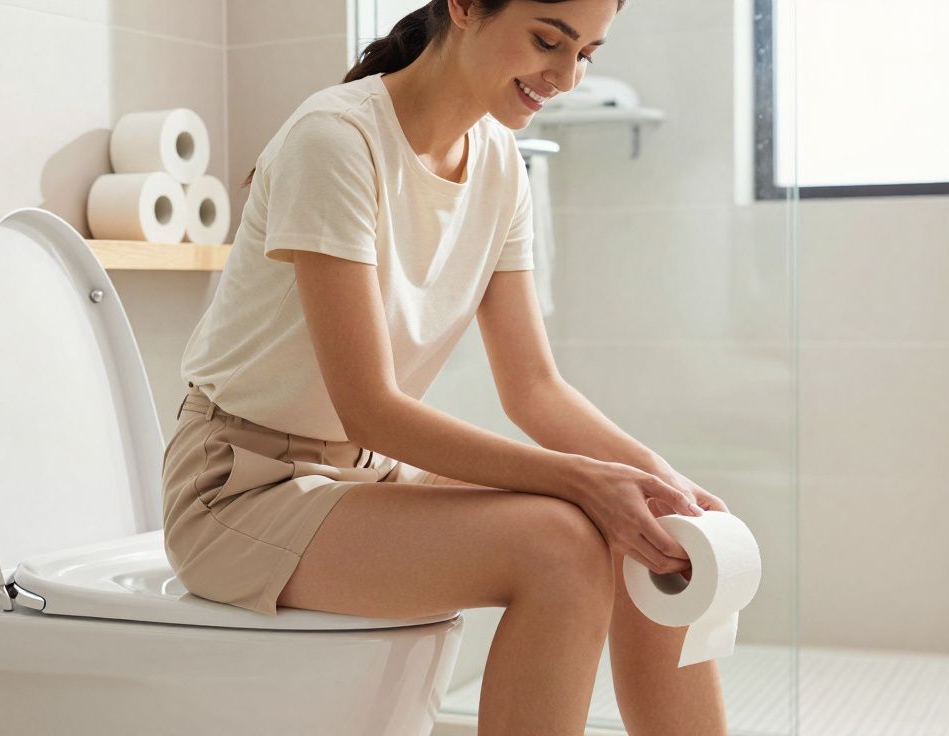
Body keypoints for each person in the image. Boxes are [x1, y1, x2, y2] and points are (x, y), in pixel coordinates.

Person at [161, 0, 731, 732]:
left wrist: (659, 481)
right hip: (237, 487)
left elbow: (535, 390)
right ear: (462, 6)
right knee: (560, 548)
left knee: (650, 529)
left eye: (585, 54)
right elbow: (370, 406)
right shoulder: (334, 139)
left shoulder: (500, 163)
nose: (564, 76)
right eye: (547, 40)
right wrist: (587, 480)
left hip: (363, 474)